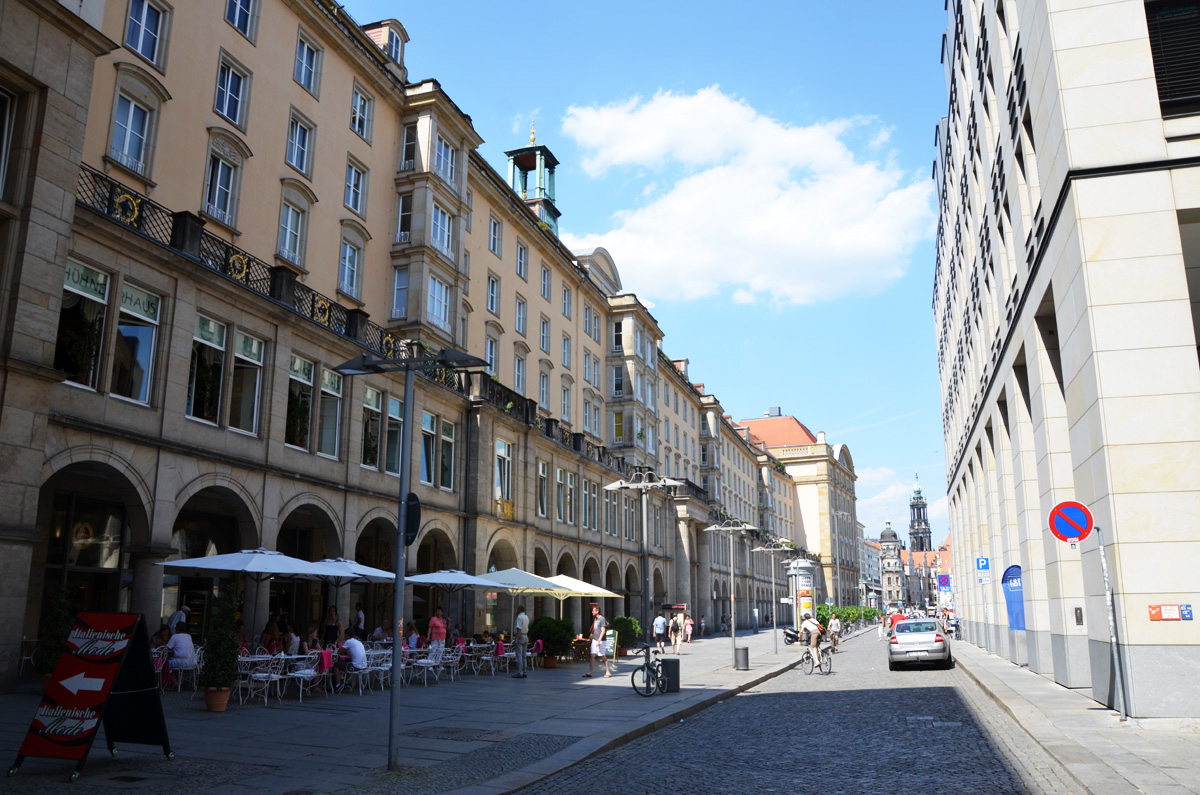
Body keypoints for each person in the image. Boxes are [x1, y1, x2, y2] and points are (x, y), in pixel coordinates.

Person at [166, 621, 197, 687]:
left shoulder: (175, 636)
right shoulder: (188, 636)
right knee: (174, 663)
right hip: (192, 661)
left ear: (177, 629)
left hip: (181, 662)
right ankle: (180, 681)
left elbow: (167, 648)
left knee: (164, 664)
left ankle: (174, 681)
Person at [584, 604, 611, 678]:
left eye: (593, 610)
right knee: (592, 655)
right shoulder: (595, 619)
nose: (592, 611)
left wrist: (599, 640)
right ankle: (590, 672)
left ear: (597, 611)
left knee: (602, 656)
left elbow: (603, 631)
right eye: (592, 610)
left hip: (601, 640)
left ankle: (608, 672)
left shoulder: (602, 619)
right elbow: (596, 629)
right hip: (595, 640)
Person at [512, 604, 529, 679]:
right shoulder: (526, 617)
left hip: (520, 636)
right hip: (526, 636)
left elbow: (519, 629)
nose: (516, 610)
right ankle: (524, 671)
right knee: (524, 656)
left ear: (519, 610)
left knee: (519, 655)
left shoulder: (519, 617)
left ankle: (520, 672)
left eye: (517, 609)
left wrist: (516, 639)